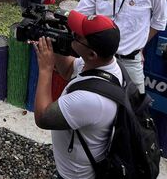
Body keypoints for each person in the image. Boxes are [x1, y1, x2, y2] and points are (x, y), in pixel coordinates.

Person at [33, 11, 122, 179]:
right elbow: (68, 70)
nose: (71, 34)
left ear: (92, 54)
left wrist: (45, 69)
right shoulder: (107, 65)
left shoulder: (90, 100)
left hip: (75, 175)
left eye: (77, 36)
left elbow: (42, 117)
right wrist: (55, 41)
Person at [75, 0, 167, 93]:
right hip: (96, 57)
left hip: (130, 61)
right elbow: (82, 17)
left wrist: (140, 45)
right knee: (84, 95)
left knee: (136, 108)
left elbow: (158, 23)